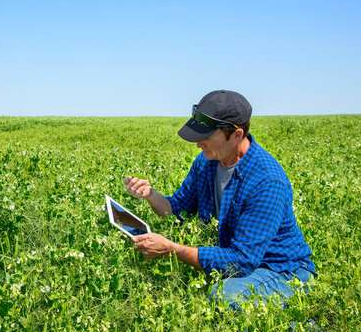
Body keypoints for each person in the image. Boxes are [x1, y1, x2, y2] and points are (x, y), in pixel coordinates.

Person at [124, 90, 316, 311]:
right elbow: (177, 210)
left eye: (206, 138)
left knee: (225, 298)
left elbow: (240, 261)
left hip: (281, 269)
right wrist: (150, 194)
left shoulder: (267, 181)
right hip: (244, 261)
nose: (198, 145)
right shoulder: (206, 162)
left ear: (236, 135)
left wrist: (171, 249)